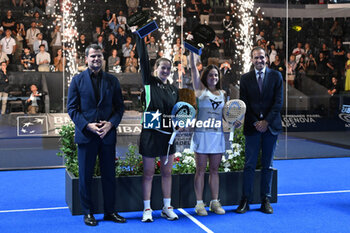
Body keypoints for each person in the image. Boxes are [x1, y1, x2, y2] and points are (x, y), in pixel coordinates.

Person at [67, 44, 125, 226]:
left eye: (99, 56)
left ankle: (110, 212)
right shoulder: (77, 80)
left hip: (107, 136)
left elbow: (120, 108)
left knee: (109, 175)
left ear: (103, 58)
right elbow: (72, 109)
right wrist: (88, 126)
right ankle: (88, 213)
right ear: (86, 59)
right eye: (92, 56)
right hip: (87, 136)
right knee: (85, 176)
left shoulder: (112, 81)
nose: (96, 59)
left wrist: (110, 124)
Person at [135, 35, 179, 222]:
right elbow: (143, 59)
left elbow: (177, 111)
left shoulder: (174, 89)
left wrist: (180, 122)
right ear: (156, 69)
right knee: (149, 172)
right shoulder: (149, 82)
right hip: (151, 134)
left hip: (168, 136)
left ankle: (167, 207)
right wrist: (140, 37)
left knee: (167, 172)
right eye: (163, 68)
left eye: (168, 69)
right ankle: (147, 209)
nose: (166, 71)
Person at [236, 46, 283, 215]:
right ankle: (245, 200)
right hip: (253, 127)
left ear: (266, 59)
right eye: (256, 58)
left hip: (271, 127)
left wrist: (266, 122)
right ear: (252, 60)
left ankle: (265, 199)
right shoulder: (245, 78)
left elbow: (278, 103)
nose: (259, 60)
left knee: (267, 165)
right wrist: (257, 122)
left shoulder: (277, 76)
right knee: (249, 165)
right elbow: (244, 104)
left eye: (262, 57)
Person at [189, 52, 226, 216]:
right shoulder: (200, 91)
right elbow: (192, 70)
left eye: (216, 75)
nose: (213, 77)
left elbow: (225, 116)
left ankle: (215, 202)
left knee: (215, 170)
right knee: (200, 169)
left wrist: (234, 122)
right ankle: (199, 204)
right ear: (206, 77)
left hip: (217, 136)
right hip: (202, 136)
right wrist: (191, 53)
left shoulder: (223, 94)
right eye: (210, 75)